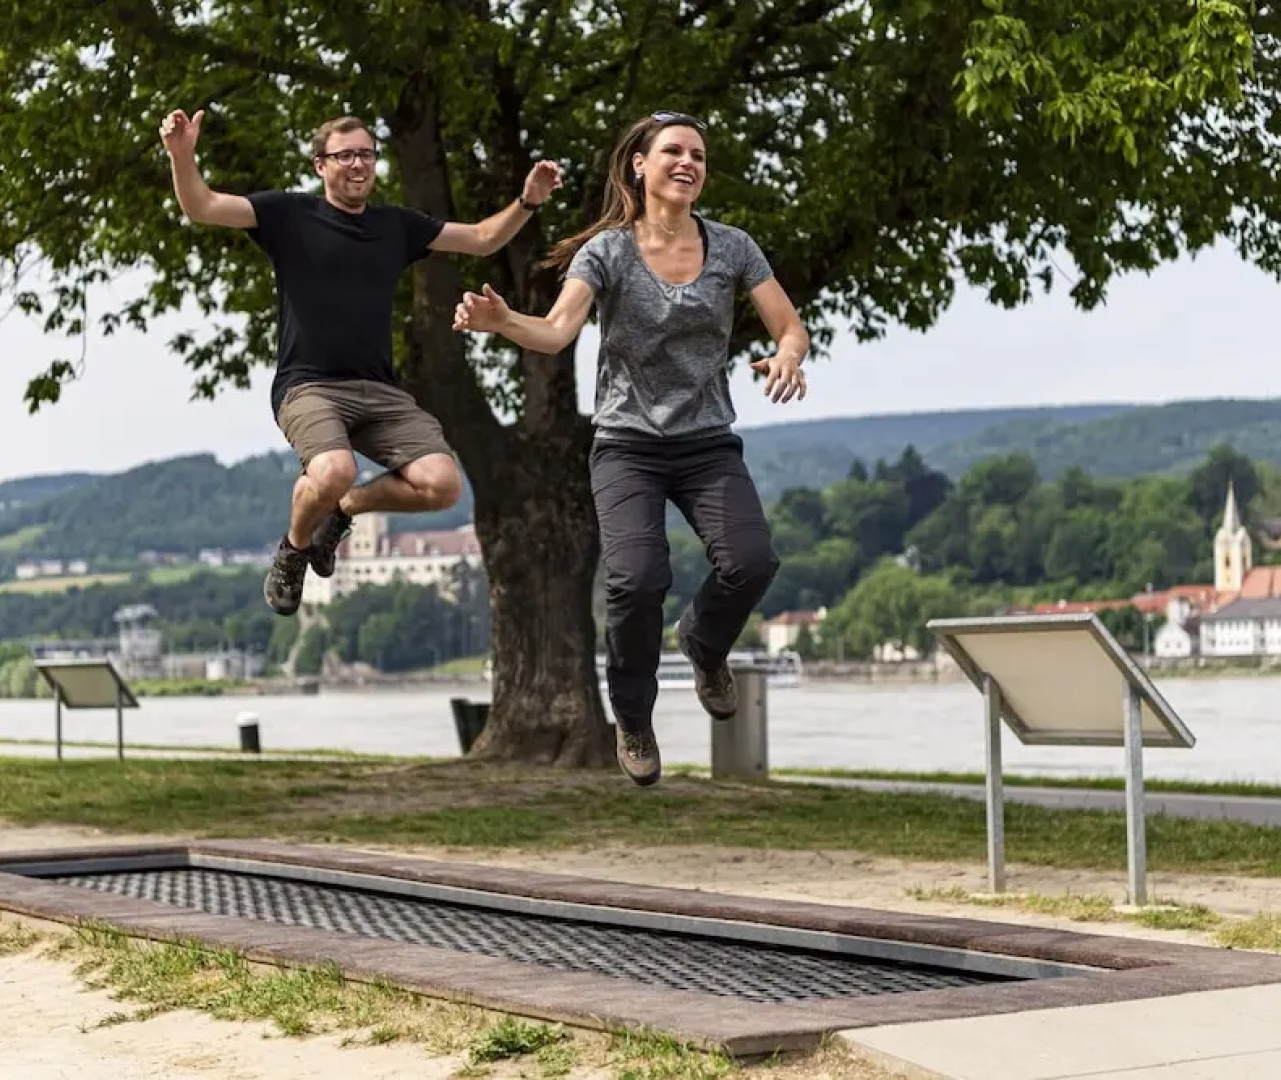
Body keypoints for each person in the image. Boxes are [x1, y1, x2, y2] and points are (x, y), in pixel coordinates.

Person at [452, 111, 809, 786]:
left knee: (752, 561)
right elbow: (557, 333)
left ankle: (703, 645)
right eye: (672, 151)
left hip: (706, 443)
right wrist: (502, 322)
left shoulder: (733, 247)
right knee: (637, 580)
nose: (687, 162)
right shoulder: (607, 252)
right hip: (627, 446)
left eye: (698, 155)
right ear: (638, 166)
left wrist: (787, 356)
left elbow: (789, 326)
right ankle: (634, 718)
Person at [158, 108, 563, 616]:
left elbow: (482, 239)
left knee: (442, 485)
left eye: (367, 154)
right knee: (333, 470)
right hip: (309, 387)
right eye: (345, 155)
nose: (358, 164)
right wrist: (181, 155)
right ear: (320, 165)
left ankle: (345, 511)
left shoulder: (396, 226)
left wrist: (528, 201)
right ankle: (294, 549)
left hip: (380, 392)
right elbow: (203, 206)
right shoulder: (288, 215)